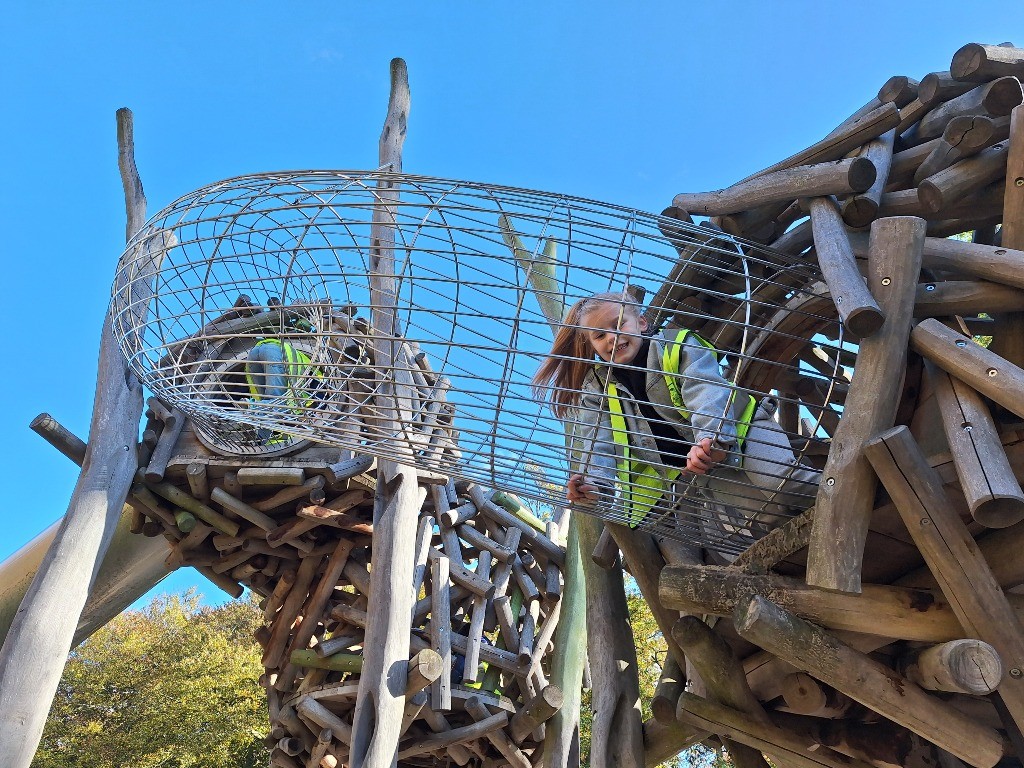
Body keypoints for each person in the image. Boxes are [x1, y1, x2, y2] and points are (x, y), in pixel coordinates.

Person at [532, 291, 819, 555]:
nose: (612, 337)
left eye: (619, 324)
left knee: (784, 484)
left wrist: (713, 437)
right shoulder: (598, 389)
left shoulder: (675, 346)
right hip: (703, 467)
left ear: (641, 323)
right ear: (592, 346)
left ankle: (843, 496)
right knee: (764, 517)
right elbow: (598, 445)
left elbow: (704, 390)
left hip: (741, 431)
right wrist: (594, 486)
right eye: (599, 335)